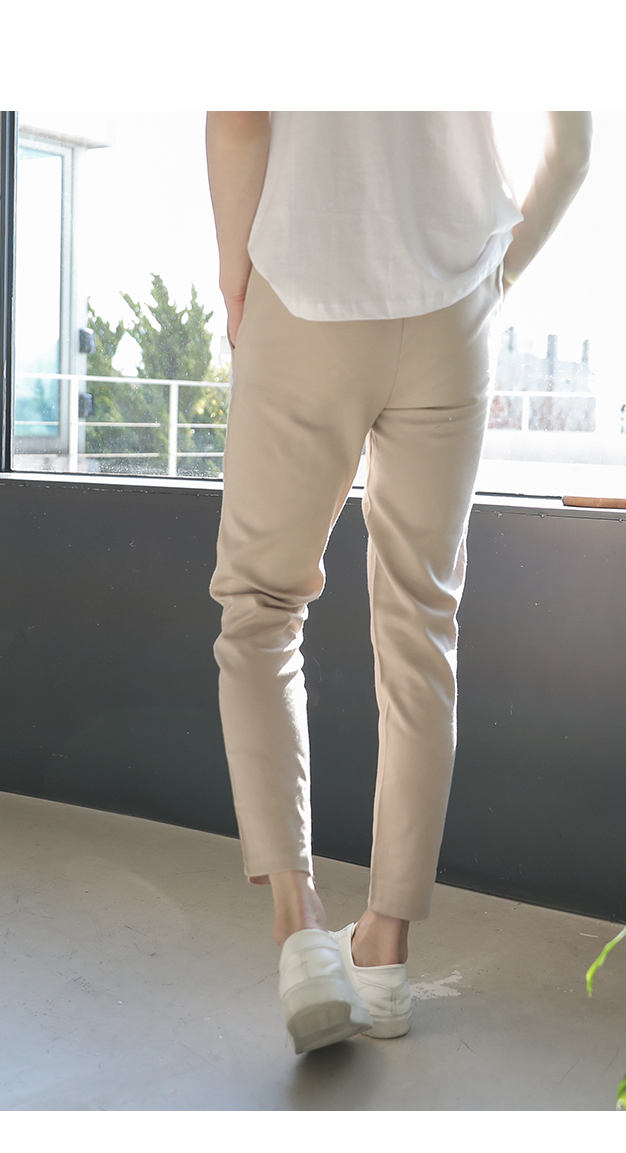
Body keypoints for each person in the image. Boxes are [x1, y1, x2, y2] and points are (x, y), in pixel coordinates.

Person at [206, 107, 593, 1055]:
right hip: (452, 302)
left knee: (260, 609)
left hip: (305, 286)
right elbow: (573, 142)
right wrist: (495, 273)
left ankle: (302, 930)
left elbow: (239, 117)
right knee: (423, 623)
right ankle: (383, 955)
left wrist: (235, 275)